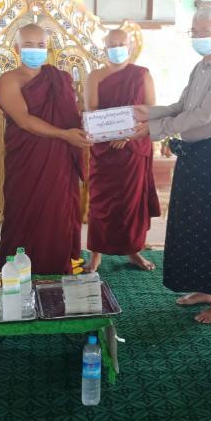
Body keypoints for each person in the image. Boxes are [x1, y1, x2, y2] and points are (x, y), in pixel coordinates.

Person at [134, 6, 211, 324]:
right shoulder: (202, 66)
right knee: (192, 219)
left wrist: (153, 129)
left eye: (203, 32)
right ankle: (207, 288)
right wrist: (148, 112)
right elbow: (182, 105)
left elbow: (203, 115)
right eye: (194, 32)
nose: (197, 37)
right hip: (194, 150)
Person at [0, 22, 91, 275]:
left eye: (40, 45)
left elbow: (72, 116)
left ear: (47, 48)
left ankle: (57, 271)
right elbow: (24, 120)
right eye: (28, 45)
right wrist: (64, 135)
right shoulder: (9, 80)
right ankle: (16, 275)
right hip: (27, 161)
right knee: (22, 213)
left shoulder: (59, 79)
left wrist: (89, 125)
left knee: (57, 215)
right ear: (17, 48)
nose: (35, 50)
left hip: (59, 160)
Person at [85, 29, 161, 273]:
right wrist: (114, 132)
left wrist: (127, 134)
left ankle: (133, 250)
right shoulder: (95, 76)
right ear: (104, 48)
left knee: (131, 203)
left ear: (130, 47)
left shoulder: (142, 75)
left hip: (133, 148)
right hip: (104, 151)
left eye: (121, 44)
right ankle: (95, 254)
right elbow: (92, 111)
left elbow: (150, 110)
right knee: (100, 202)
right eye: (112, 44)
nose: (116, 48)